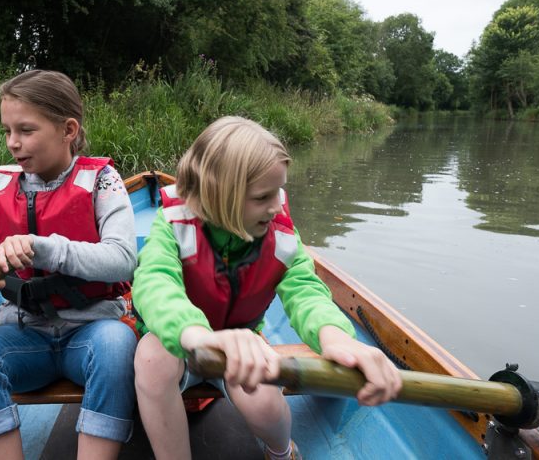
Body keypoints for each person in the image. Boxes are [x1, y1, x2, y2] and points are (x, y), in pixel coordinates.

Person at [132, 116, 402, 460]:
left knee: (264, 405)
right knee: (151, 358)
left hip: (242, 343)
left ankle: (281, 452)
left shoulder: (280, 232)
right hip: (180, 340)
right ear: (218, 197)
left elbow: (305, 291)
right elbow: (154, 282)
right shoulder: (173, 224)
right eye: (263, 197)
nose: (276, 206)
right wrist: (197, 335)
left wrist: (335, 337)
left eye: (279, 191)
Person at [0, 70, 138, 460]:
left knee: (117, 345)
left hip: (91, 332)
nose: (13, 143)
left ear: (68, 130)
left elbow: (122, 260)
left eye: (26, 130)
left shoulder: (103, 181)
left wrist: (43, 249)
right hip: (24, 339)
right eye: (7, 131)